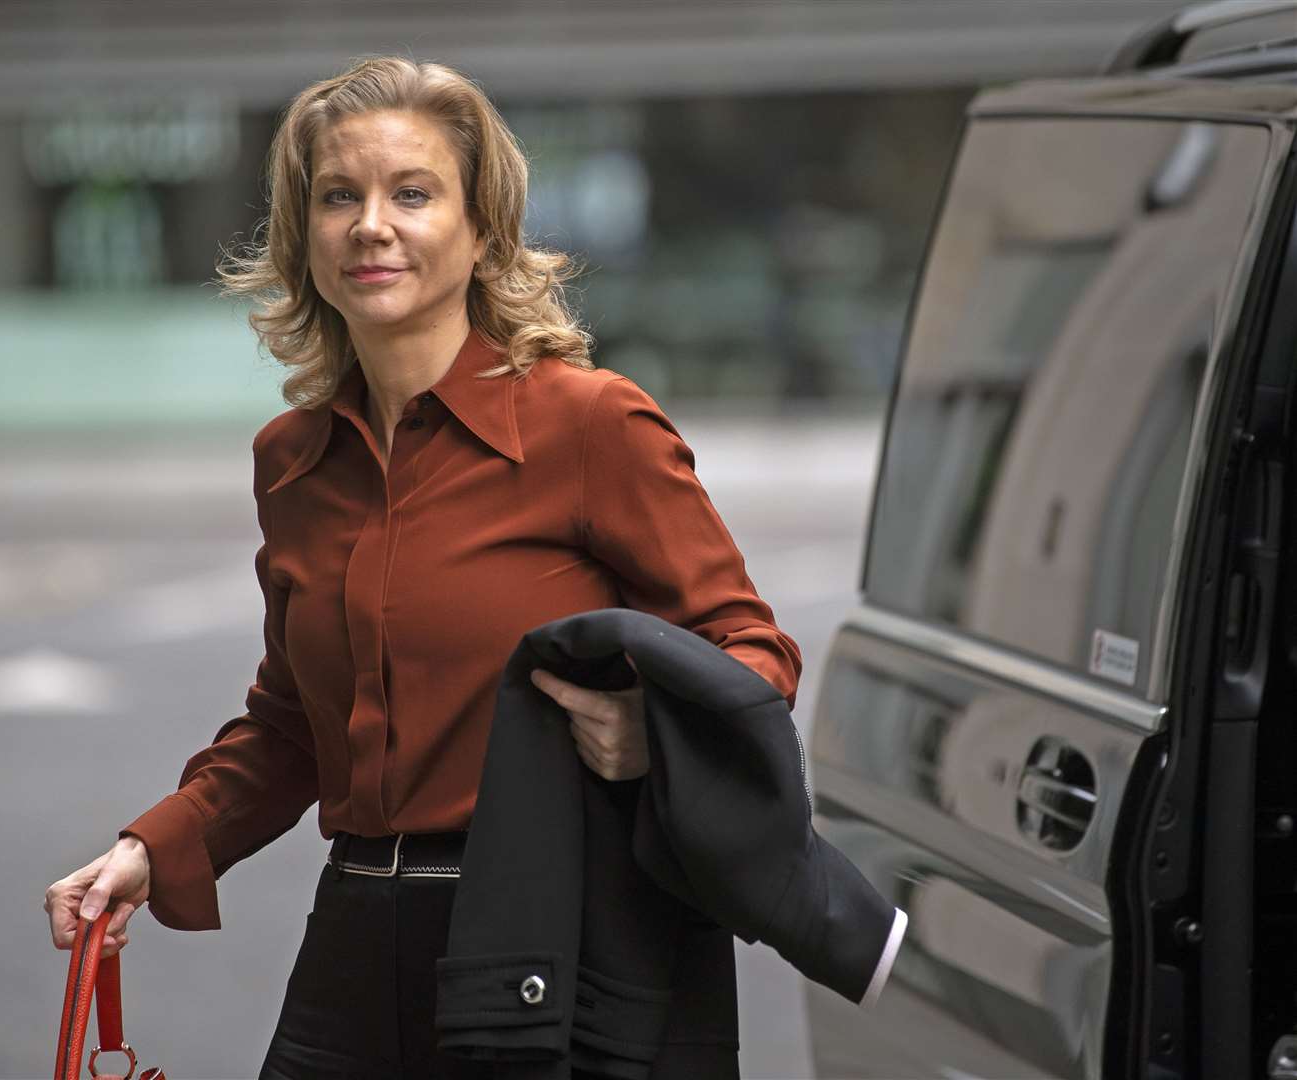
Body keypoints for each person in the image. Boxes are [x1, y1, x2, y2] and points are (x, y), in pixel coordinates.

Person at [44, 56, 803, 1078]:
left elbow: (750, 652)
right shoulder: (293, 461)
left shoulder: (589, 425)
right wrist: (150, 848)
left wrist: (651, 738)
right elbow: (293, 726)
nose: (371, 224)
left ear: (481, 227)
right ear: (300, 234)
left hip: (558, 938)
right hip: (357, 932)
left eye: (412, 193)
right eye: (338, 196)